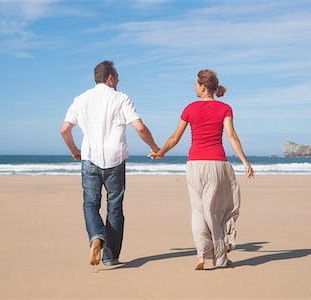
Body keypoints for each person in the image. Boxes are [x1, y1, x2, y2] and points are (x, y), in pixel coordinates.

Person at [150, 69, 254, 270]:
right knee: (216, 211)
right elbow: (232, 136)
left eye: (196, 84)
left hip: (194, 165)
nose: (194, 87)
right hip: (217, 164)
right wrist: (245, 162)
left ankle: (201, 254)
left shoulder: (190, 108)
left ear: (203, 86)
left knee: (198, 209)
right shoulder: (225, 108)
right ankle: (221, 258)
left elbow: (174, 137)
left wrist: (161, 152)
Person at [60, 61, 159, 266]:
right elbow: (139, 127)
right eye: (118, 77)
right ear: (110, 78)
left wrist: (74, 151)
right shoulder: (121, 98)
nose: (119, 81)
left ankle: (96, 235)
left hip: (89, 158)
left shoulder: (81, 99)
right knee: (114, 208)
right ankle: (110, 257)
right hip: (115, 160)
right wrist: (155, 147)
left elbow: (64, 130)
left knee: (90, 203)